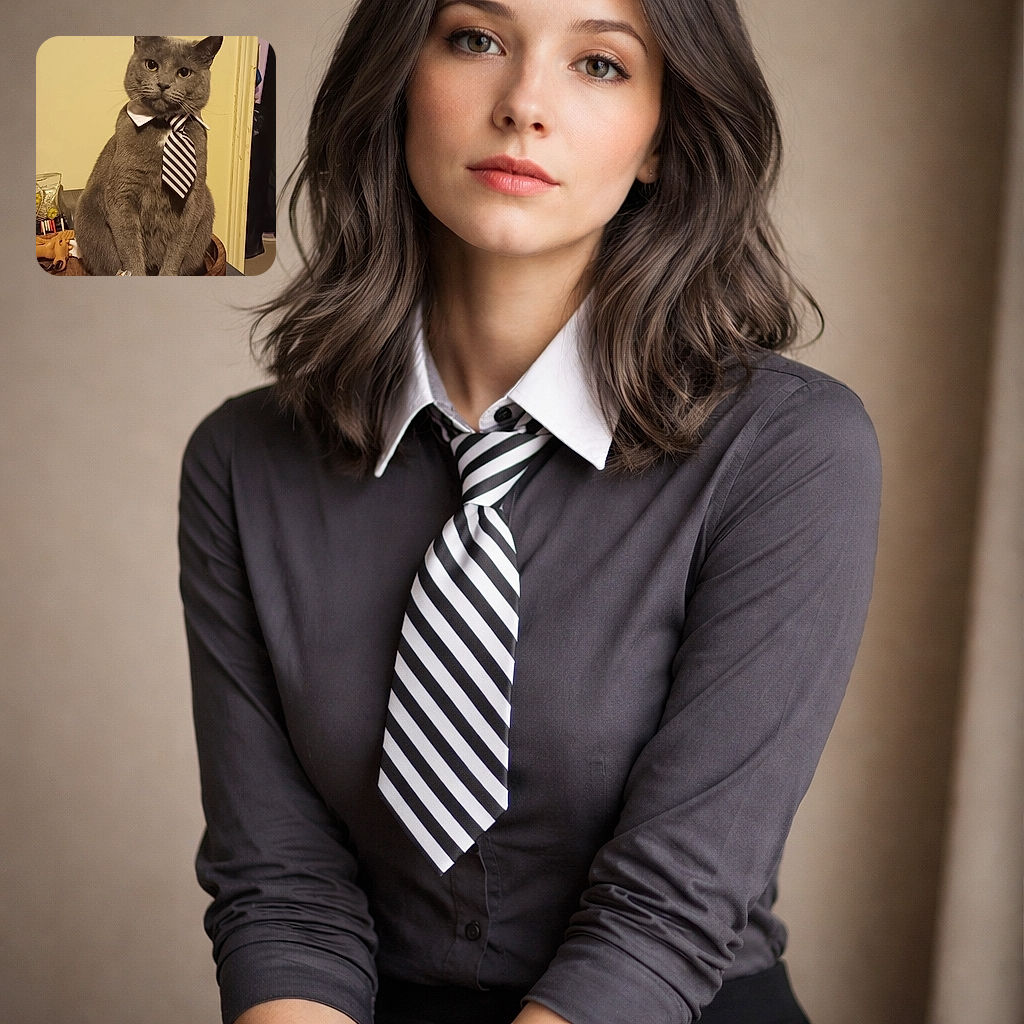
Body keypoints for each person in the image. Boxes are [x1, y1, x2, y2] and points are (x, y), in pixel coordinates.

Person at [178, 0, 881, 1022]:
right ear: (395, 84)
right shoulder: (244, 459)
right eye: (476, 40)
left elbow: (669, 910)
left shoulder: (789, 450)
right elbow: (282, 890)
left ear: (660, 138)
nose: (524, 107)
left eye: (599, 64)